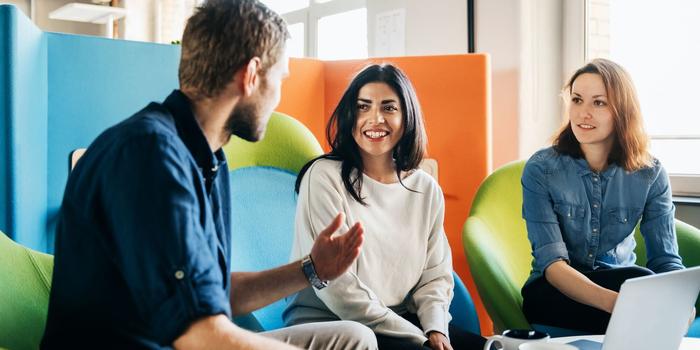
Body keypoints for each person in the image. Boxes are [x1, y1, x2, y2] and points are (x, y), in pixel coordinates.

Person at [41, 1, 377, 349]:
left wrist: (312, 269)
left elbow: (211, 295)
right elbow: (201, 336)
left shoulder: (205, 158)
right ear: (250, 75)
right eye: (279, 79)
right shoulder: (150, 155)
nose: (278, 97)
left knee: (351, 338)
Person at [283, 64, 487, 350]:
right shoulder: (323, 176)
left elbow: (435, 276)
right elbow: (338, 289)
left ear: (407, 117)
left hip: (400, 321)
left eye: (389, 108)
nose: (374, 119)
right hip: (335, 325)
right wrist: (417, 337)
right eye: (363, 107)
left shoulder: (424, 188)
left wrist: (436, 330)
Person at [520, 58, 694, 334]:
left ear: (622, 110)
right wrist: (619, 305)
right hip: (556, 291)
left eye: (598, 103)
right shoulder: (541, 169)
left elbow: (665, 260)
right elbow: (552, 265)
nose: (582, 113)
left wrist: (681, 302)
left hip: (623, 284)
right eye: (577, 100)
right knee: (639, 289)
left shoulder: (650, 173)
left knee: (641, 281)